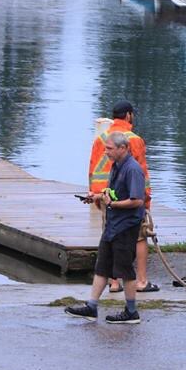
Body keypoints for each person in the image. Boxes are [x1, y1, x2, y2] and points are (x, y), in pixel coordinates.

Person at [66, 132, 147, 324]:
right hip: (112, 226)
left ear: (123, 148)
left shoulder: (133, 169)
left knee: (125, 270)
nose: (106, 152)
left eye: (109, 149)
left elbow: (137, 201)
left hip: (126, 227)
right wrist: (97, 196)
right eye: (106, 148)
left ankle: (131, 311)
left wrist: (112, 205)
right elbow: (112, 194)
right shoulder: (116, 166)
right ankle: (91, 306)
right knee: (101, 267)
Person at [88, 100, 158, 293]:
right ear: (129, 115)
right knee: (140, 237)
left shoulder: (100, 138)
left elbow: (92, 168)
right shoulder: (133, 139)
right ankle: (142, 281)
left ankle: (114, 283)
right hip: (127, 200)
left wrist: (94, 196)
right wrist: (146, 202)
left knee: (110, 236)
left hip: (104, 197)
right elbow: (141, 173)